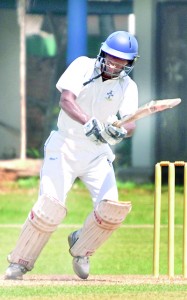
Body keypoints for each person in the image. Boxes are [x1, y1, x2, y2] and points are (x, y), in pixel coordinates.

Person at [5, 30, 139, 280]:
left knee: (111, 211)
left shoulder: (127, 86)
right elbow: (66, 100)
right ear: (102, 52)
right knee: (50, 207)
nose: (114, 63)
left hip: (97, 154)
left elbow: (131, 123)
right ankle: (19, 263)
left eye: (121, 60)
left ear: (129, 63)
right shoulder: (82, 66)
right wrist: (88, 122)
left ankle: (82, 247)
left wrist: (120, 131)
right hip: (65, 146)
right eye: (111, 57)